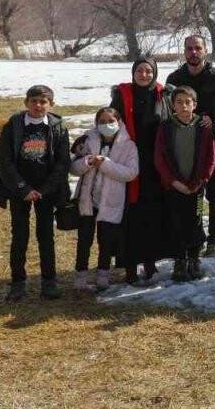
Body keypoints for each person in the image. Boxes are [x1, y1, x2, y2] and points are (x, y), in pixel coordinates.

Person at [0, 85, 71, 301]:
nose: (38, 105)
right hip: (19, 189)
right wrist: (23, 189)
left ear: (51, 104)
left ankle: (49, 282)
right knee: (19, 235)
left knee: (45, 235)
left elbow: (63, 162)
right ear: (26, 102)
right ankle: (17, 282)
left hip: (46, 191)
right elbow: (4, 161)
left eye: (43, 102)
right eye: (34, 101)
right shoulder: (14, 125)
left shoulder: (57, 127)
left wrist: (44, 190)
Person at [165, 34, 215, 258]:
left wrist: (212, 123)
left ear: (205, 51)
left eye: (198, 48)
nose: (193, 52)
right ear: (184, 51)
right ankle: (191, 237)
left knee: (213, 195)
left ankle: (213, 239)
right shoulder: (175, 77)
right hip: (182, 145)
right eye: (189, 48)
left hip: (212, 145)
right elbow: (169, 110)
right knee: (188, 194)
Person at [110, 58, 174, 285]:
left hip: (154, 163)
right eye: (140, 70)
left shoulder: (164, 93)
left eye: (149, 71)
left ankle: (150, 261)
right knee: (131, 215)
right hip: (129, 159)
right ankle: (129, 265)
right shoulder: (122, 94)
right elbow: (111, 123)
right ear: (133, 72)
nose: (144, 74)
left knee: (153, 213)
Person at [70, 107, 139, 293]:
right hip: (88, 200)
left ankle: (103, 275)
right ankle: (81, 276)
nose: (107, 125)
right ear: (96, 124)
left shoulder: (128, 145)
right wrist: (87, 162)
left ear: (119, 122)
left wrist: (106, 164)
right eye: (102, 122)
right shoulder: (87, 141)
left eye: (111, 121)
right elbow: (73, 167)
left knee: (106, 240)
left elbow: (131, 173)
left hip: (110, 201)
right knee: (84, 239)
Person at [153, 86, 215, 282]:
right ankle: (179, 260)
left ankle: (194, 258)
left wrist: (201, 181)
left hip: (196, 187)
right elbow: (159, 157)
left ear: (195, 105)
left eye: (188, 102)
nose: (183, 106)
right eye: (179, 102)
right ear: (173, 105)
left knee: (195, 221)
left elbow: (211, 157)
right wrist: (173, 182)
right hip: (174, 187)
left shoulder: (203, 128)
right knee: (176, 222)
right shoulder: (166, 127)